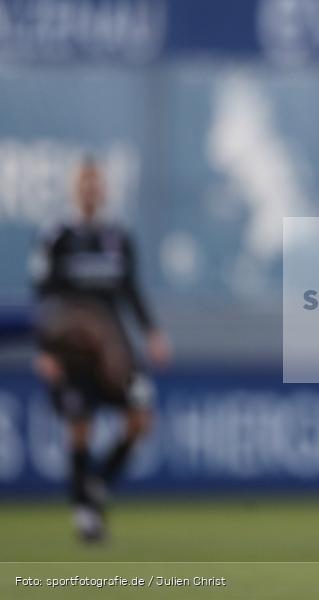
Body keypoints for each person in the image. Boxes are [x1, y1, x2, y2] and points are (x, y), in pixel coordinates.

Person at [31, 157, 170, 542]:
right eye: (84, 184)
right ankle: (85, 515)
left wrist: (151, 332)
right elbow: (43, 296)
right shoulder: (56, 236)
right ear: (75, 190)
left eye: (96, 184)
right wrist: (45, 350)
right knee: (80, 426)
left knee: (140, 418)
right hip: (73, 353)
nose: (91, 191)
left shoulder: (118, 237)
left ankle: (96, 483)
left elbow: (130, 291)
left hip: (117, 352)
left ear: (104, 190)